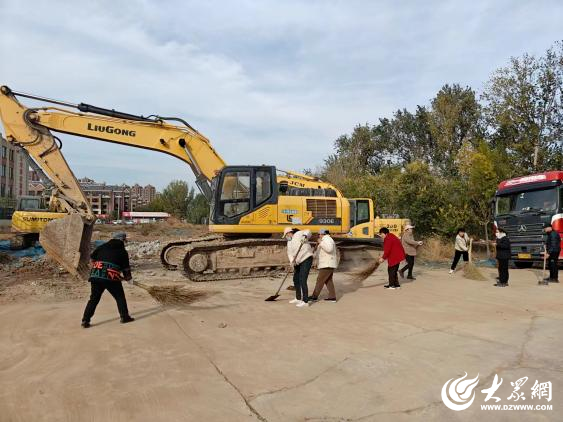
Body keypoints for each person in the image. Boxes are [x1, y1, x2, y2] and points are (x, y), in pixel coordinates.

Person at [81, 232, 135, 328]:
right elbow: (126, 268)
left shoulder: (102, 246)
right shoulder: (122, 251)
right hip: (111, 277)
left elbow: (92, 259)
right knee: (119, 297)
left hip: (96, 275)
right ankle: (125, 317)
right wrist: (128, 278)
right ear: (122, 240)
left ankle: (85, 321)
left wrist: (97, 268)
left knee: (93, 299)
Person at [283, 227, 314, 307]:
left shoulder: (298, 234)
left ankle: (305, 301)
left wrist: (305, 236)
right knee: (296, 279)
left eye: (286, 235)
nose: (286, 237)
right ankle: (298, 298)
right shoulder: (289, 242)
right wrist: (292, 261)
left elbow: (308, 230)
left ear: (290, 232)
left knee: (302, 279)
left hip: (306, 258)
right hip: (297, 261)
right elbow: (289, 253)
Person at [308, 228, 338, 302]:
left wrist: (321, 243)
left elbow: (329, 249)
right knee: (328, 280)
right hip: (327, 263)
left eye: (319, 234)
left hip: (327, 264)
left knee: (320, 280)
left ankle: (314, 296)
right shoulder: (325, 240)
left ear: (322, 234)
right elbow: (320, 253)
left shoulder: (327, 239)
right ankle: (332, 297)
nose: (318, 236)